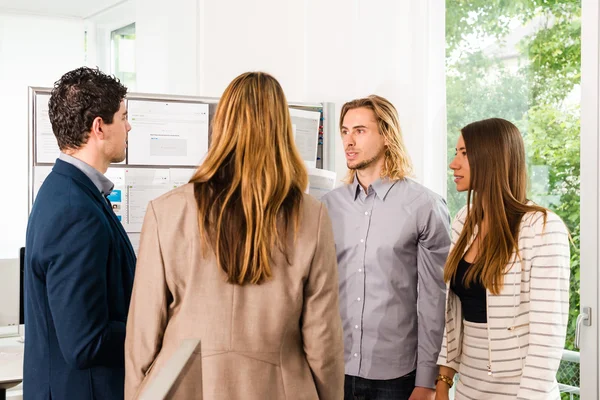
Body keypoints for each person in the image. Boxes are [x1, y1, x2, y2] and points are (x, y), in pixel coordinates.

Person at [124, 72, 345, 400]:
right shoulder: (311, 216)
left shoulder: (166, 211)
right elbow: (323, 342)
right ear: (282, 129)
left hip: (186, 388)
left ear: (221, 124)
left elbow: (142, 338)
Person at [321, 95, 450, 400]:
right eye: (344, 131)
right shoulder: (326, 207)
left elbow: (436, 300)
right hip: (334, 371)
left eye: (360, 131)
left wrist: (427, 381)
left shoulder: (424, 206)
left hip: (397, 378)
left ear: (387, 135)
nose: (349, 141)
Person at [435, 118, 570, 400]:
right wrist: (444, 381)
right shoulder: (464, 221)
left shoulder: (542, 227)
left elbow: (547, 337)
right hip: (469, 388)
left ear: (491, 159)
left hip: (522, 391)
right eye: (455, 153)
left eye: (464, 154)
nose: (453, 164)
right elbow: (453, 315)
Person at [24, 67, 136, 400]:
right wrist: (157, 329)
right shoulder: (75, 210)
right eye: (123, 116)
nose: (129, 127)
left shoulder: (69, 191)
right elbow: (86, 342)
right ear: (99, 127)